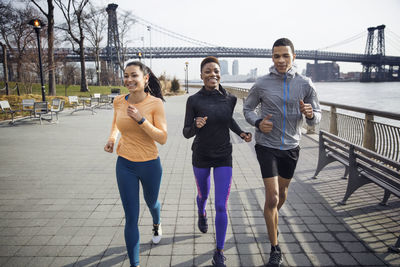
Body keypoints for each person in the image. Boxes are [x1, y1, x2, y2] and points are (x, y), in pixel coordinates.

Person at [243, 38, 321, 267]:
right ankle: (275, 249)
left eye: (285, 55)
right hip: (266, 146)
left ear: (293, 57)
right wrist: (257, 122)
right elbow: (247, 108)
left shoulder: (306, 84)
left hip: (291, 148)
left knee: (283, 193)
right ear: (272, 58)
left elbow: (317, 116)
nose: (280, 60)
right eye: (276, 56)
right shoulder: (261, 84)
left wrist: (309, 114)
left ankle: (270, 216)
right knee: (273, 196)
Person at [183, 56, 252, 267]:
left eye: (216, 71)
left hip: (224, 156)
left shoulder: (230, 99)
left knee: (221, 205)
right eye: (208, 71)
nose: (213, 74)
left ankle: (219, 252)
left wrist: (241, 133)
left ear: (220, 73)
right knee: (203, 194)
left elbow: (228, 119)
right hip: (201, 156)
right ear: (201, 75)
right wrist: (196, 125)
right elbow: (186, 133)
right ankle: (201, 212)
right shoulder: (193, 101)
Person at [104, 61, 167, 267]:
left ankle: (156, 224)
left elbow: (163, 137)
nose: (129, 80)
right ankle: (135, 264)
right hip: (125, 165)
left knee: (152, 203)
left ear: (145, 78)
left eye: (134, 76)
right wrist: (112, 139)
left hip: (150, 164)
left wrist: (141, 120)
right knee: (131, 216)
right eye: (126, 75)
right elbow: (116, 123)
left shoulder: (155, 103)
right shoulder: (119, 101)